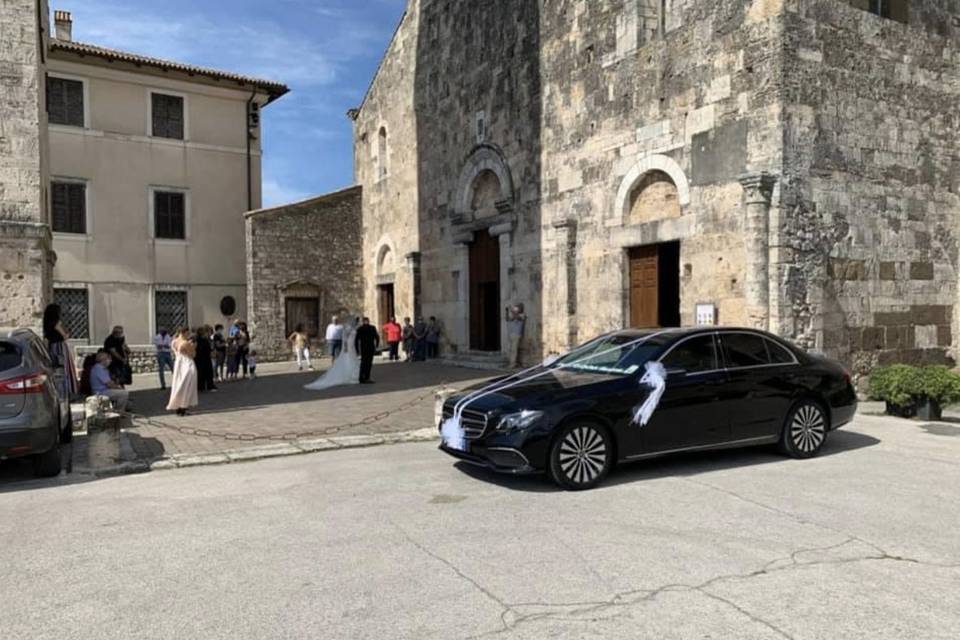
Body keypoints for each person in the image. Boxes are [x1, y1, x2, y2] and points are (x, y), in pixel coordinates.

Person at [305, 317, 360, 391]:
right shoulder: (348, 328)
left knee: (351, 358)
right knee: (347, 358)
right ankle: (350, 375)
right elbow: (345, 337)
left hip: (352, 345)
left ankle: (353, 375)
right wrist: (346, 346)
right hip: (348, 345)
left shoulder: (350, 328)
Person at [42, 303, 78, 399]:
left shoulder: (46, 322)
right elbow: (64, 335)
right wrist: (65, 332)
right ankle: (69, 390)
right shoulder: (56, 322)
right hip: (60, 346)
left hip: (52, 346)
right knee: (65, 368)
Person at [167, 328, 198, 416]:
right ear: (184, 333)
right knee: (187, 386)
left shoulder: (174, 342)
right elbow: (193, 355)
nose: (188, 335)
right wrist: (193, 347)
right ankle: (183, 407)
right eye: (188, 333)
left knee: (178, 385)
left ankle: (178, 406)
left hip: (178, 364)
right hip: (187, 364)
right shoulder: (185, 343)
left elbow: (174, 353)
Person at [355, 317, 380, 384]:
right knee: (364, 363)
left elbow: (377, 337)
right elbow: (356, 340)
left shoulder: (372, 328)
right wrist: (357, 349)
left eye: (367, 321)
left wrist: (377, 345)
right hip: (365, 348)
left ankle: (366, 377)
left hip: (370, 347)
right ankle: (362, 377)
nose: (366, 322)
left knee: (368, 363)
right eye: (365, 321)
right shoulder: (360, 329)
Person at [195, 326, 216, 392]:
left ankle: (201, 387)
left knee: (201, 373)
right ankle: (208, 386)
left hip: (199, 358)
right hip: (204, 358)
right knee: (207, 372)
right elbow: (208, 349)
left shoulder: (197, 340)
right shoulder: (203, 340)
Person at [506, 303, 527, 368]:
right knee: (513, 349)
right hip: (512, 334)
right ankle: (517, 363)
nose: (516, 309)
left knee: (514, 350)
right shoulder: (514, 315)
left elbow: (517, 317)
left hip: (517, 334)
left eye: (517, 308)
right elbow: (508, 319)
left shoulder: (522, 315)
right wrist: (507, 311)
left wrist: (512, 310)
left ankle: (513, 364)